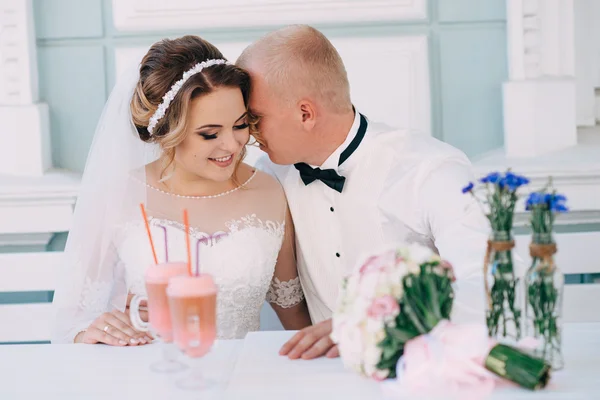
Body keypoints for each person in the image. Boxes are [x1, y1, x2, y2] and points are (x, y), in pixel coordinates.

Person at [237, 25, 490, 360]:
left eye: (255, 118)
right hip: (317, 374)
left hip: (419, 369)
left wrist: (372, 325)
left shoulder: (430, 169)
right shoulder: (269, 176)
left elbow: (486, 283)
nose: (248, 132)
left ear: (305, 113)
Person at [51, 35, 312, 345]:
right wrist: (91, 332)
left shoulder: (268, 191)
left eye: (240, 125)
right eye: (209, 134)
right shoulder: (119, 195)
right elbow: (70, 325)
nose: (231, 145)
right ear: (166, 132)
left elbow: (295, 320)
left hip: (240, 380)